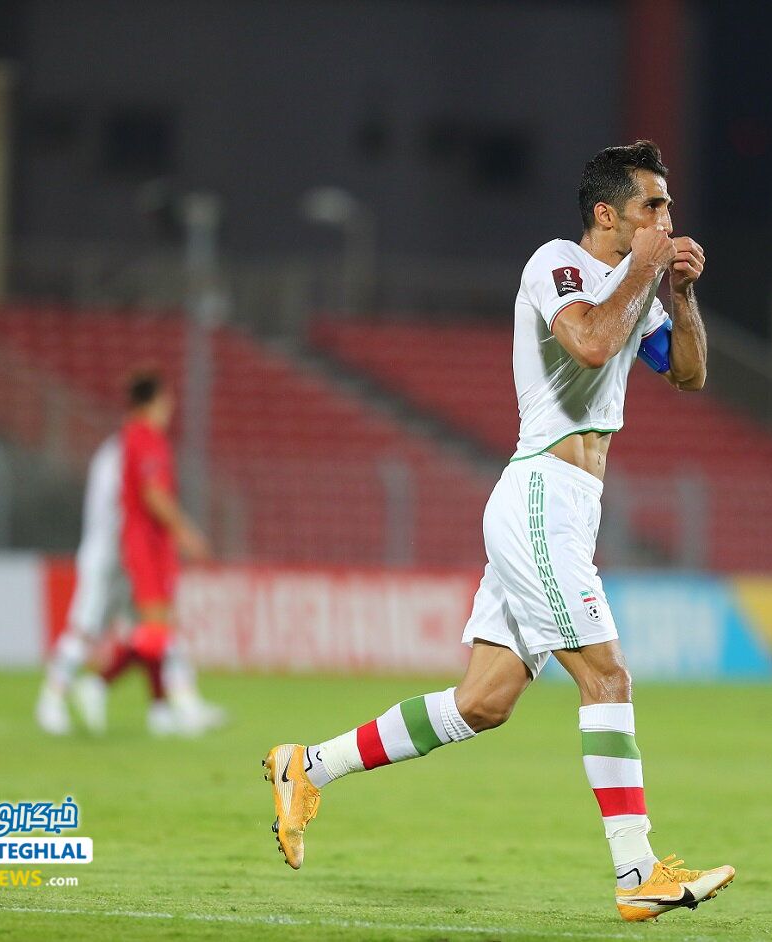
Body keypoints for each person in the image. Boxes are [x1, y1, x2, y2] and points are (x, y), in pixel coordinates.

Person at [263, 141, 734, 922]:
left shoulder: (637, 287)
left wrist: (678, 292)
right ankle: (636, 870)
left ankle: (307, 766)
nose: (665, 219)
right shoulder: (557, 264)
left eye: (668, 207)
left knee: (483, 702)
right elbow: (589, 342)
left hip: (568, 507)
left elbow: (689, 374)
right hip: (541, 494)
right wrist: (647, 270)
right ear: (606, 213)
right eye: (651, 206)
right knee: (607, 678)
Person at [35, 420, 225, 737]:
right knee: (86, 631)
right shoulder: (124, 454)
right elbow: (139, 503)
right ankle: (51, 700)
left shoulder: (118, 451)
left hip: (129, 557)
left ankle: (171, 707)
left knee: (157, 631)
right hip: (109, 559)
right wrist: (178, 536)